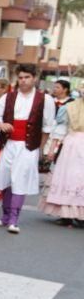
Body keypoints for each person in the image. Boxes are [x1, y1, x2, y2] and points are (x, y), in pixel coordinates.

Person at [0, 64, 55, 234]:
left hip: (28, 146)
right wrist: (1, 124)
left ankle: (13, 219)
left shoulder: (45, 99)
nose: (23, 81)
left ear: (34, 79)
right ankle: (4, 216)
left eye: (27, 77)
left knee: (20, 179)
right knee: (5, 178)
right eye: (21, 77)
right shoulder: (8, 97)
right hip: (8, 143)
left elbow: (47, 127)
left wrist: (39, 149)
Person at [40, 96, 84, 225]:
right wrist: (52, 150)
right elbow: (61, 130)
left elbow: (60, 130)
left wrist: (52, 150)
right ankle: (68, 214)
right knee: (70, 177)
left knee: (73, 178)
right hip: (72, 146)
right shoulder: (70, 107)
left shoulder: (69, 107)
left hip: (72, 144)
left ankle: (76, 214)